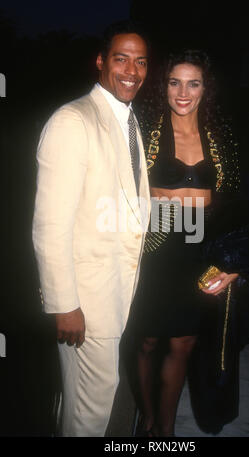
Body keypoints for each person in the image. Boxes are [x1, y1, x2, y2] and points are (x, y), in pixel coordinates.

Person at [124, 49, 249, 437]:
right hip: (154, 243)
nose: (183, 92)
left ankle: (164, 428)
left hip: (203, 246)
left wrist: (234, 262)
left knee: (183, 342)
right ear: (162, 87)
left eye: (193, 83)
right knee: (145, 340)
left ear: (205, 88)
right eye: (174, 82)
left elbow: (244, 202)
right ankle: (146, 416)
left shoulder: (223, 134)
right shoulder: (141, 127)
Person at [32, 20, 151, 437]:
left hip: (115, 291)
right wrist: (64, 302)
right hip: (85, 299)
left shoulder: (129, 120)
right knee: (90, 411)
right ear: (101, 61)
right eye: (121, 59)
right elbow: (50, 224)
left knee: (84, 404)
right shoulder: (73, 121)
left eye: (140, 62)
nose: (132, 71)